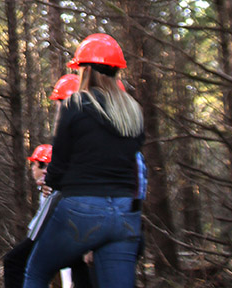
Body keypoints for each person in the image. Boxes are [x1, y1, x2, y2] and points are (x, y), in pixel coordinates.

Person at [24, 33, 144, 288]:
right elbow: (133, 163)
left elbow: (60, 161)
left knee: (35, 271)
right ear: (116, 71)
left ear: (85, 70)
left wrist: (53, 182)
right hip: (124, 214)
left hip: (83, 210)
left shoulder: (75, 105)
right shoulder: (133, 110)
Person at [2, 144, 53, 288]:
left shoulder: (49, 188)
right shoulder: (45, 188)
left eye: (35, 165)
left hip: (48, 239)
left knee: (13, 261)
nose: (32, 169)